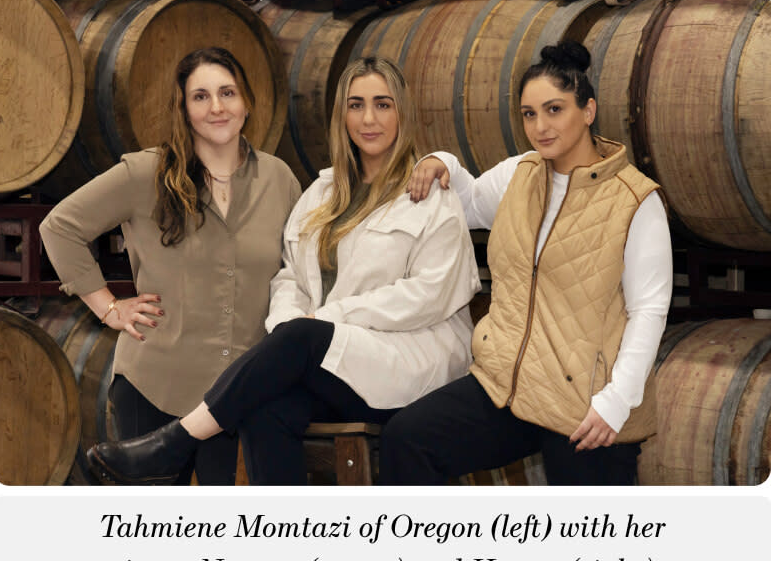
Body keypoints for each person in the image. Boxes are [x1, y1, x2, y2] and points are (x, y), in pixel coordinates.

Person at [83, 56, 481, 485]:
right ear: (341, 115)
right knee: (264, 410)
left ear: (403, 112)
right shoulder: (321, 193)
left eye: (383, 104)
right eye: (356, 105)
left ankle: (177, 441)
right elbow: (290, 275)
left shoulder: (430, 194)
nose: (369, 119)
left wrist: (322, 322)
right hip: (336, 365)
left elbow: (429, 294)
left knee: (302, 337)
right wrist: (290, 324)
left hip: (406, 366)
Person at [379, 41, 672, 485]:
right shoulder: (520, 174)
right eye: (529, 114)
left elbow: (648, 310)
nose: (540, 126)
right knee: (407, 439)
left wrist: (616, 402)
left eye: (554, 110)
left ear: (588, 110)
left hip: (587, 404)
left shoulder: (636, 201)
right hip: (509, 387)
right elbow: (467, 201)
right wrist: (441, 161)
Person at [40, 47, 301, 485]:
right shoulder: (145, 173)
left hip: (240, 399)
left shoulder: (280, 180)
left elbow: (299, 270)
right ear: (183, 108)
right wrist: (108, 307)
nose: (216, 107)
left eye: (227, 93)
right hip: (155, 386)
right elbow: (59, 227)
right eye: (200, 96)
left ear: (247, 102)